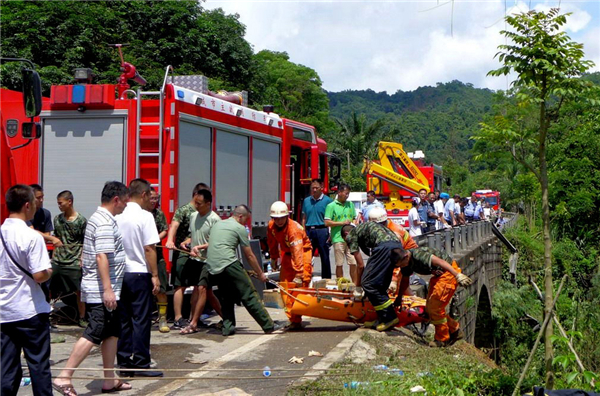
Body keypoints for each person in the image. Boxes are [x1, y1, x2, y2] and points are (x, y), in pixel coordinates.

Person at [53, 181, 132, 395]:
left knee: (112, 332)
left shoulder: (102, 218)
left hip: (107, 288)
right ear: (116, 200)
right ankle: (64, 376)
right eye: (124, 202)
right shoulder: (104, 222)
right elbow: (101, 256)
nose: (125, 206)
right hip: (101, 289)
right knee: (96, 330)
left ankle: (109, 379)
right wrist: (107, 290)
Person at [1, 184, 53, 396]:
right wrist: (50, 270)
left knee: (7, 367)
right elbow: (40, 275)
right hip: (30, 310)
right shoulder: (31, 236)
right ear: (26, 205)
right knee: (38, 365)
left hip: (4, 310)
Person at [206, 205, 282, 336]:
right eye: (246, 219)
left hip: (213, 266)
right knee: (249, 294)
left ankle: (228, 327)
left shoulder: (218, 224)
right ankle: (268, 325)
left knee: (226, 296)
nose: (246, 223)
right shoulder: (239, 228)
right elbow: (250, 255)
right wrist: (260, 274)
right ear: (240, 216)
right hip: (228, 262)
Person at [115, 179, 163, 378]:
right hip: (138, 272)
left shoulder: (117, 214)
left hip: (119, 273)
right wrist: (155, 275)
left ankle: (124, 362)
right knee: (141, 319)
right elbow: (149, 248)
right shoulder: (145, 216)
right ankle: (142, 362)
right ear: (143, 195)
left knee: (123, 320)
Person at [395, 246, 473, 347]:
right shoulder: (405, 264)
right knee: (429, 310)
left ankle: (442, 339)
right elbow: (405, 281)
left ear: (406, 257)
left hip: (448, 274)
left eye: (402, 264)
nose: (403, 266)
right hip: (438, 277)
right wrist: (399, 297)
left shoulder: (419, 255)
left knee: (435, 309)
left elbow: (441, 262)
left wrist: (457, 275)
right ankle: (454, 330)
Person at [341, 222, 403, 332]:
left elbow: (360, 265)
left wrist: (358, 286)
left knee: (369, 283)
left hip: (384, 247)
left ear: (346, 234)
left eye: (345, 240)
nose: (348, 243)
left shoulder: (351, 235)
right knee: (380, 284)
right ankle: (381, 318)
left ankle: (390, 317)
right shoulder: (364, 229)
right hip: (397, 246)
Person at [179, 189, 223, 335]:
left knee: (202, 288)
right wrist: (187, 243)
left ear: (208, 203)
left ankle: (194, 323)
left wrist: (199, 246)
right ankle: (226, 318)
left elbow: (216, 242)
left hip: (207, 260)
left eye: (199, 203)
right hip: (194, 259)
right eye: (195, 203)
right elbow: (195, 235)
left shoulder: (214, 219)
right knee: (205, 292)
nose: (196, 206)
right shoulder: (193, 216)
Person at [165, 182, 209, 330]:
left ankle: (193, 318)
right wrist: (171, 240)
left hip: (197, 253)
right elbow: (174, 225)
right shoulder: (184, 210)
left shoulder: (203, 213)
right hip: (183, 253)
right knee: (180, 285)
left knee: (198, 286)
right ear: (196, 195)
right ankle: (178, 318)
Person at [267, 201, 313, 329]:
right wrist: (274, 257)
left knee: (300, 286)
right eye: (276, 219)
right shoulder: (271, 226)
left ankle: (297, 318)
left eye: (282, 218)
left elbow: (297, 251)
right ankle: (293, 319)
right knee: (285, 287)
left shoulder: (293, 230)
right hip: (287, 254)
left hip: (303, 254)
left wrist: (299, 273)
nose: (279, 221)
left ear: (287, 216)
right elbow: (271, 242)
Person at [51, 190, 87, 327]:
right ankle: (47, 313)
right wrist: (54, 257)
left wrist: (82, 258)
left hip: (74, 260)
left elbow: (85, 241)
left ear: (69, 202)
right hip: (59, 260)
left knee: (79, 290)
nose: (59, 206)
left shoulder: (81, 221)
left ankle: (82, 317)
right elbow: (57, 239)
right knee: (47, 284)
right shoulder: (57, 219)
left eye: (61, 203)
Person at [367, 207, 418, 296]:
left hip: (408, 257)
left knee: (399, 285)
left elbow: (398, 258)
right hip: (402, 256)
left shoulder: (394, 234)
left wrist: (393, 279)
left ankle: (413, 305)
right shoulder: (384, 229)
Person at [324, 184, 358, 283]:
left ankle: (356, 285)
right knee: (339, 263)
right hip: (338, 238)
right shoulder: (331, 206)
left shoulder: (350, 204)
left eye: (348, 194)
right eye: (346, 193)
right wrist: (342, 223)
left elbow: (354, 218)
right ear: (339, 192)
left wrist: (354, 225)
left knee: (353, 262)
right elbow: (326, 222)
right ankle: (341, 285)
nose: (347, 196)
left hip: (350, 239)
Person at [301, 179, 333, 279]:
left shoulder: (328, 201)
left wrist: (330, 234)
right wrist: (303, 232)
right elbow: (304, 218)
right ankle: (306, 277)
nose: (314, 190)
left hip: (322, 230)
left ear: (321, 188)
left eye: (316, 188)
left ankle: (326, 279)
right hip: (309, 230)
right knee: (307, 256)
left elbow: (331, 218)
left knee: (324, 256)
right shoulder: (306, 201)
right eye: (312, 188)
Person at [149, 188, 170, 333]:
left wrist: (156, 239)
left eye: (156, 198)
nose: (154, 201)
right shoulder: (140, 215)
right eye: (151, 198)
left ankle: (162, 319)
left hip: (158, 257)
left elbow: (165, 229)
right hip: (141, 259)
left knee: (161, 290)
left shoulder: (159, 214)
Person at [28, 184, 61, 248]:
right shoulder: (24, 213)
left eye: (42, 197)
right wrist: (52, 238)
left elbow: (47, 234)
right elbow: (30, 231)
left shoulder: (45, 213)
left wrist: (47, 237)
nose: (41, 200)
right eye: (38, 198)